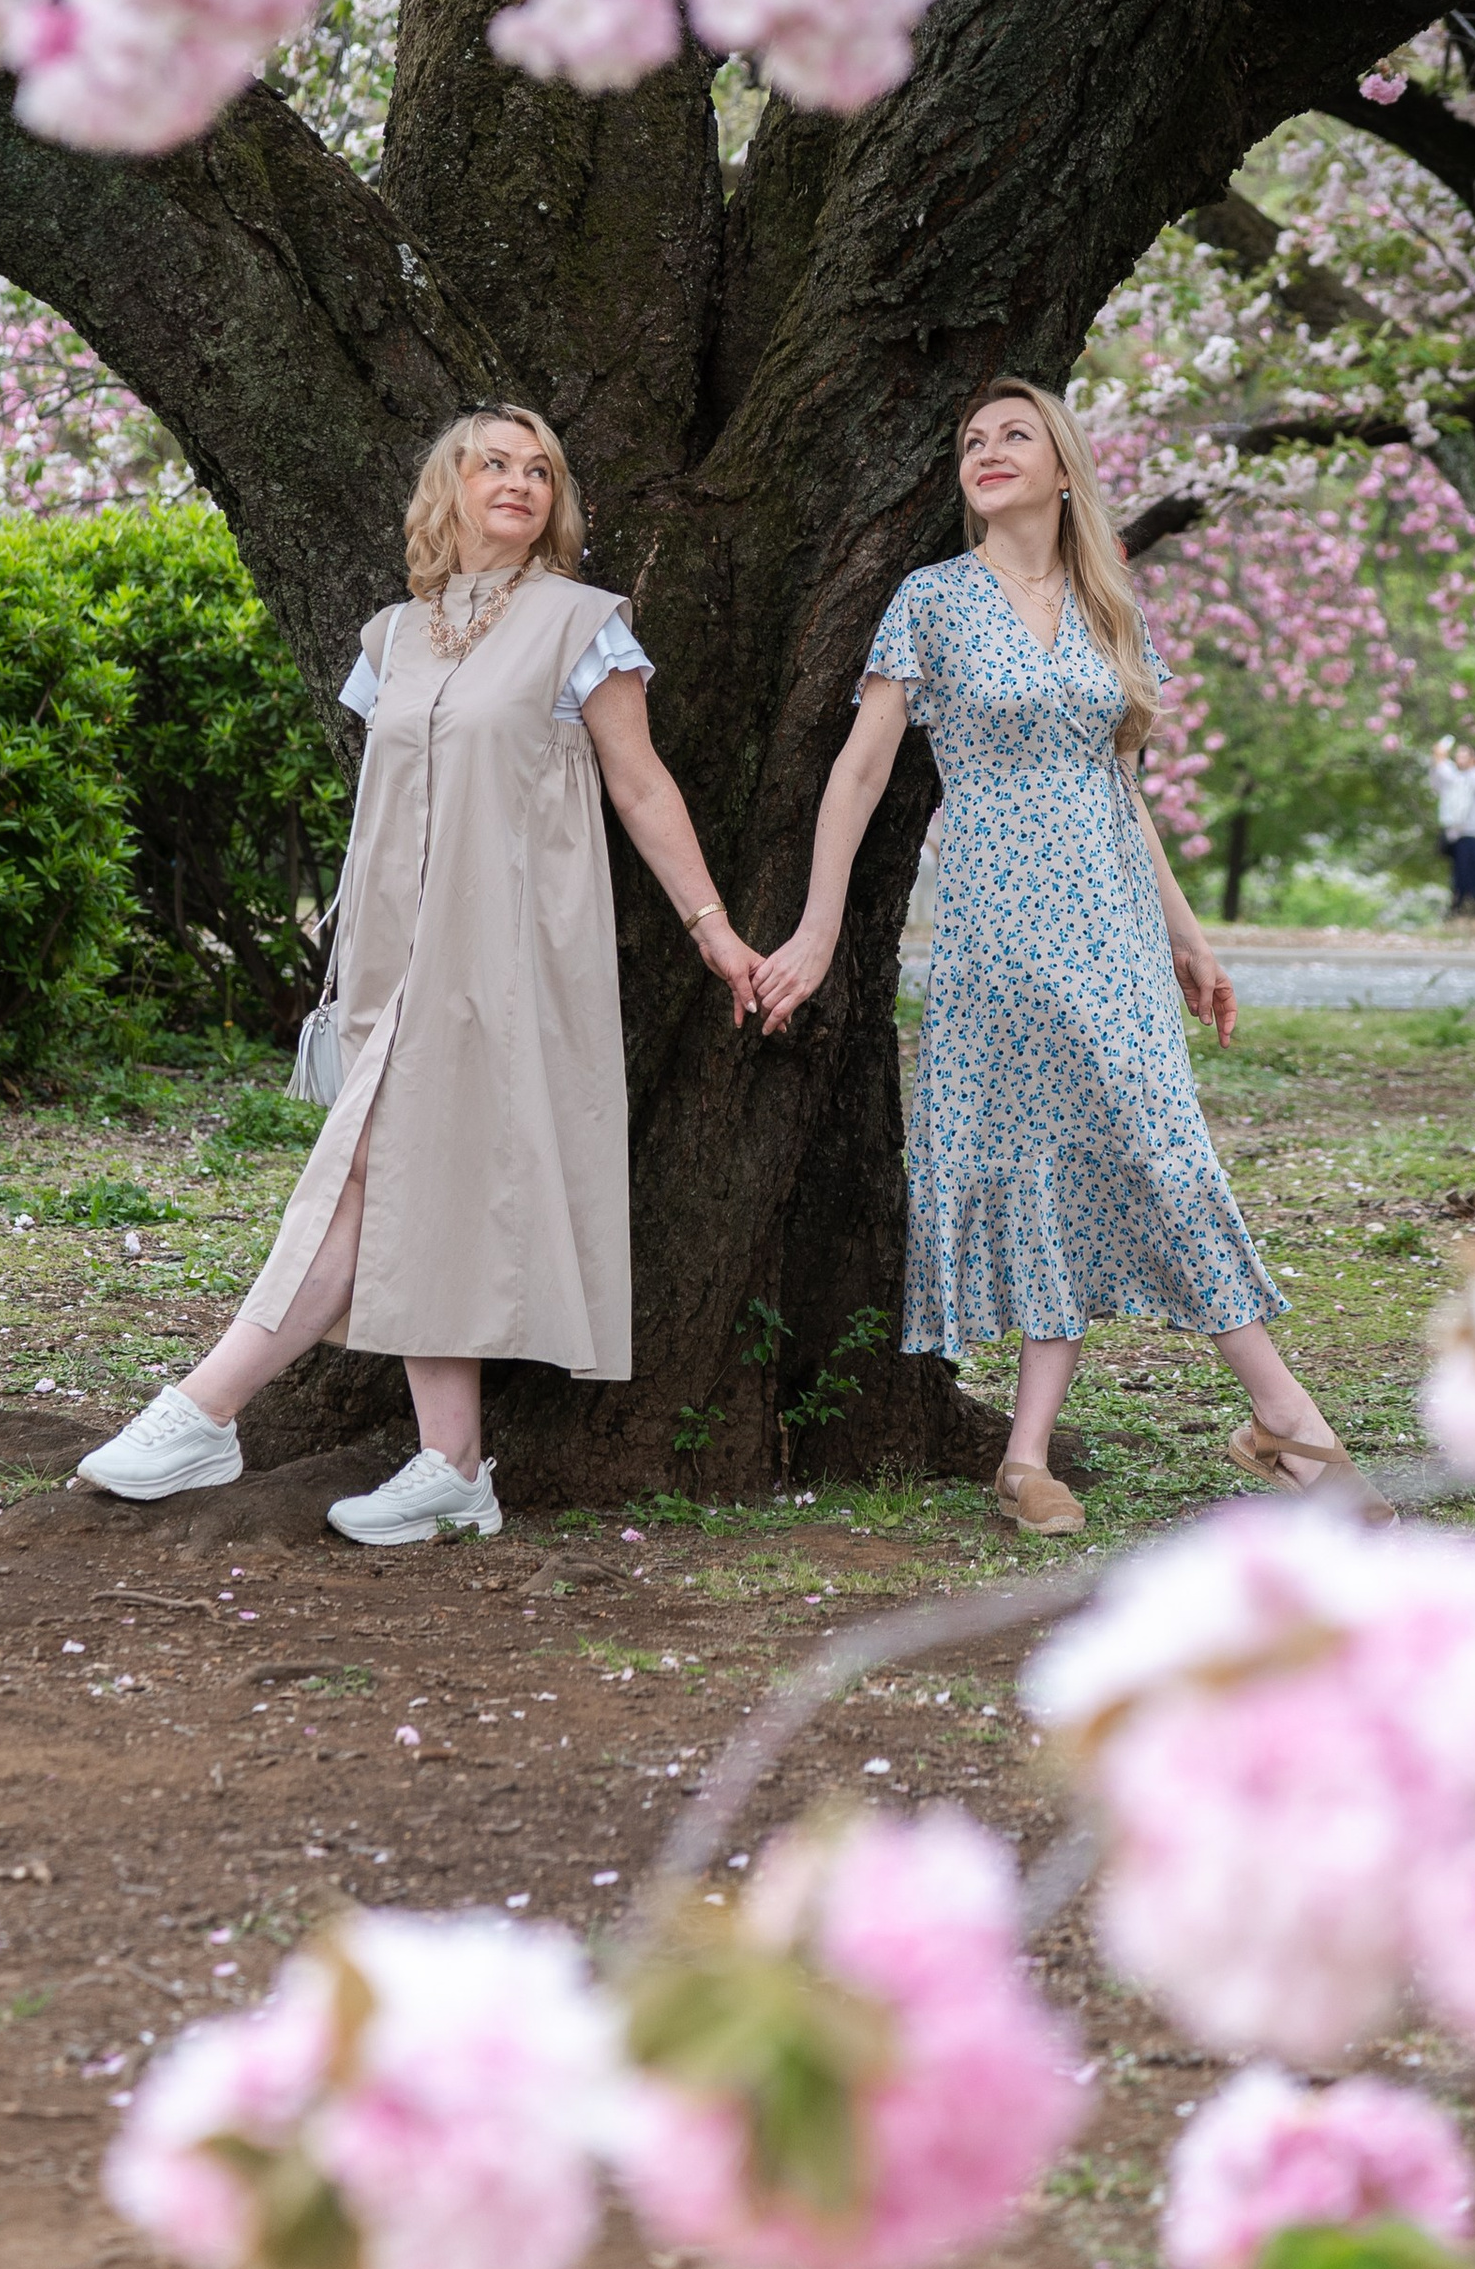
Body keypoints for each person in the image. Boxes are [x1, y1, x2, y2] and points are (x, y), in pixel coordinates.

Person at [78, 406, 762, 1543]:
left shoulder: (582, 627)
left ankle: (209, 1405)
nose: (520, 482)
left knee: (366, 1181)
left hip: (508, 961)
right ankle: (451, 1465)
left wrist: (713, 929)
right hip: (396, 964)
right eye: (492, 464)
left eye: (540, 469)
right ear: (444, 489)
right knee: (409, 1190)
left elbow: (640, 786)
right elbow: (384, 805)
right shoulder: (389, 639)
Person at [755, 380, 1379, 1533]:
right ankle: (1285, 1422)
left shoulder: (1109, 606)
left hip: (1118, 933)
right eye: (971, 440)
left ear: (1062, 469)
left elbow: (1120, 787)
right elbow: (859, 769)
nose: (986, 452)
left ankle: (1027, 1458)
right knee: (1109, 1154)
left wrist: (1188, 937)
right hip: (1003, 929)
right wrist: (820, 926)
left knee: (1129, 1151)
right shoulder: (931, 600)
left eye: (1013, 437)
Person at [1431, 736, 1475, 914]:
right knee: (1459, 875)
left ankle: (1471, 909)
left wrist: (1442, 760)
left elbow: (1456, 782)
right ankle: (1459, 909)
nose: (1458, 756)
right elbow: (1441, 782)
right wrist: (1439, 761)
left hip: (1474, 832)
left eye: (1463, 753)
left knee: (1473, 873)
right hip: (1457, 834)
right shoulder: (1460, 776)